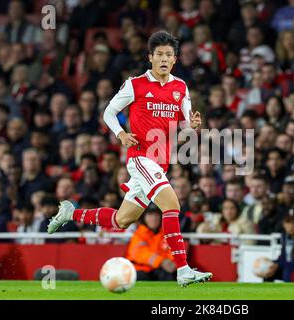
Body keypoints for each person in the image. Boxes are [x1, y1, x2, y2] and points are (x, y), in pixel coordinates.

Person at [47, 31, 212, 287]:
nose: (164, 58)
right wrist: (121, 134)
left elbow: (187, 125)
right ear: (150, 57)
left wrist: (194, 124)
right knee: (172, 205)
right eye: (159, 54)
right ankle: (183, 270)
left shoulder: (181, 87)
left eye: (169, 54)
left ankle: (71, 213)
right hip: (141, 158)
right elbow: (109, 113)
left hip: (161, 162)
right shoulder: (135, 84)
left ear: (175, 59)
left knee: (122, 220)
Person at [126, 204, 177, 281]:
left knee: (170, 276)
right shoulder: (139, 234)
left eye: (156, 215)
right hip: (142, 269)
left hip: (161, 270)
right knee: (139, 277)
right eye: (150, 215)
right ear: (144, 217)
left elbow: (173, 251)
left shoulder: (167, 233)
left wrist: (173, 263)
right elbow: (139, 253)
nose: (154, 219)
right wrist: (161, 261)